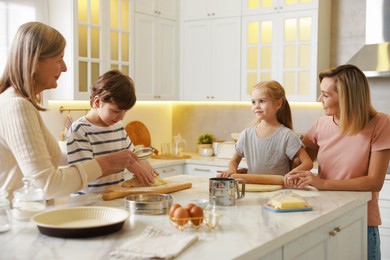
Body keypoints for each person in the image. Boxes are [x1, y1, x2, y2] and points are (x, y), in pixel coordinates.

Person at [0, 22, 154, 199]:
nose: (65, 67)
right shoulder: (17, 106)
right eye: (59, 59)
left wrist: (123, 159)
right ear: (35, 61)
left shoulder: (19, 103)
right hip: (12, 220)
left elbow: (55, 161)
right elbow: (47, 186)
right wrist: (107, 162)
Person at [284, 64, 390, 260]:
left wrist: (322, 183)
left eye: (325, 94)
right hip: (323, 217)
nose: (319, 100)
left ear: (346, 97)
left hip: (360, 219)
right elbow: (297, 163)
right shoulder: (321, 124)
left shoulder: (380, 123)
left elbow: (375, 181)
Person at [67, 69, 158, 194]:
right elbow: (83, 174)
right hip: (88, 203)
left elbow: (131, 156)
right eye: (116, 111)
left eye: (125, 111)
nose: (121, 117)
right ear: (98, 102)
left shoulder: (118, 127)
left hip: (114, 198)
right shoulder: (79, 130)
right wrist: (126, 164)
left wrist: (142, 162)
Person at [219, 80, 313, 177]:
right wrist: (231, 169)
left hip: (279, 190)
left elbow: (307, 163)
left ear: (278, 104)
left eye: (262, 101)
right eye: (253, 102)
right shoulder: (246, 134)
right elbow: (234, 161)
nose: (256, 106)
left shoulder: (287, 135)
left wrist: (290, 175)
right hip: (253, 189)